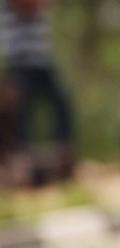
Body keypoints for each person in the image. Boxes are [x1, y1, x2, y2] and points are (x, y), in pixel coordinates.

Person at [0, 0, 74, 182]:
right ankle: (20, 163)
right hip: (20, 60)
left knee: (62, 103)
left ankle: (63, 155)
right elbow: (28, 6)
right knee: (21, 114)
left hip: (41, 59)